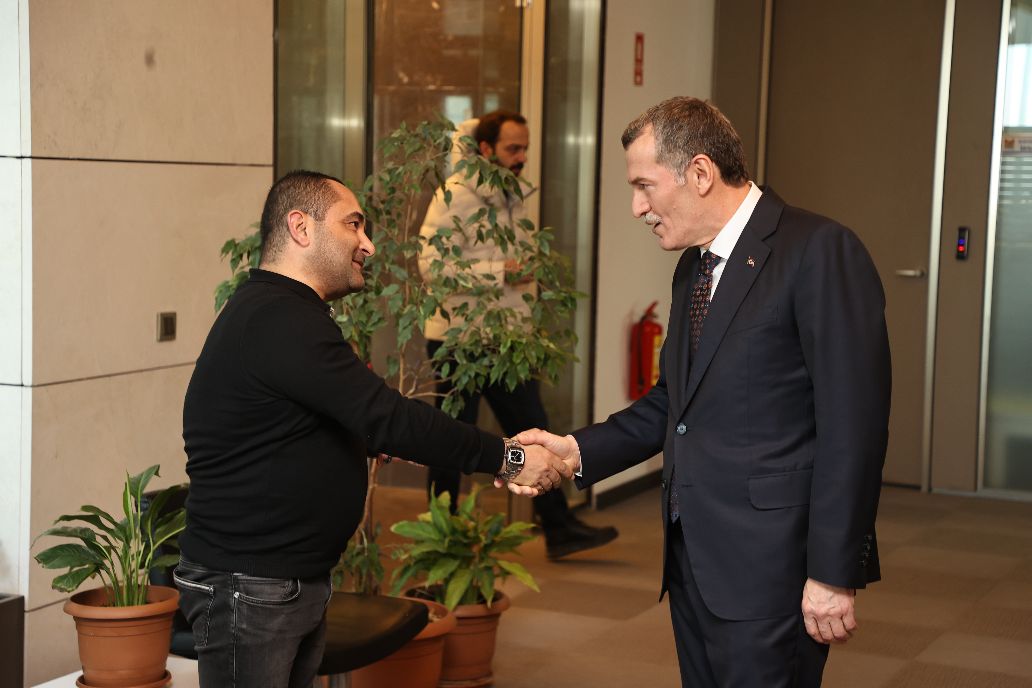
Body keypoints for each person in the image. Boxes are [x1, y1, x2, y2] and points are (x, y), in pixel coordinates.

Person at [517, 97, 891, 687]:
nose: (637, 208)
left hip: (774, 569)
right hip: (693, 561)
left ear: (699, 173)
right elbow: (675, 403)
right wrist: (576, 451)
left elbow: (854, 429)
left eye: (644, 186)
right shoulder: (695, 266)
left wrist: (832, 573)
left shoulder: (819, 250)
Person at [178, 170, 571, 688]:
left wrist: (359, 442)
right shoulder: (278, 318)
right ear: (301, 227)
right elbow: (388, 417)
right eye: (354, 225)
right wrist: (510, 457)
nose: (368, 244)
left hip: (277, 580)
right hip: (251, 585)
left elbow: (297, 423)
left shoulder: (283, 312)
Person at [418, 110, 618, 559]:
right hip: (459, 341)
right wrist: (499, 271)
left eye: (525, 147)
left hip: (505, 340)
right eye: (513, 148)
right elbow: (431, 266)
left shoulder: (512, 192)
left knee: (533, 434)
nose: (522, 156)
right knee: (450, 443)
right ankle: (439, 541)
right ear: (486, 149)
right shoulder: (457, 193)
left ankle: (559, 529)